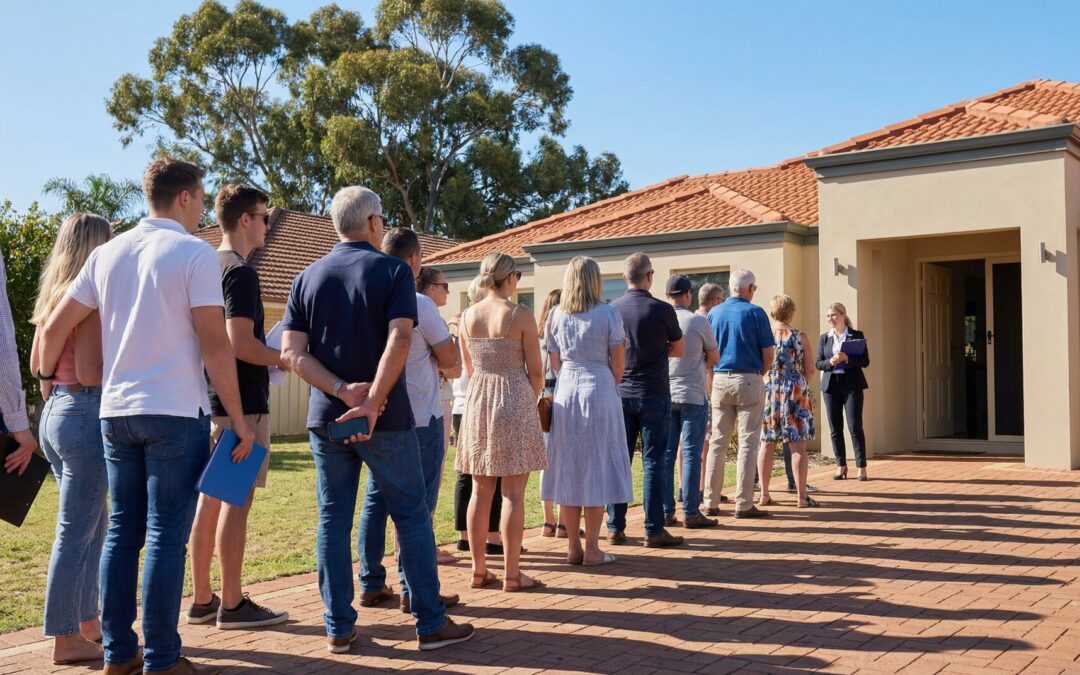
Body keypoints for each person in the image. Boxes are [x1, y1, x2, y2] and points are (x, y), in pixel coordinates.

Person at [37, 157, 256, 675]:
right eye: (202, 198)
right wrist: (240, 421)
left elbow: (53, 327)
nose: (204, 208)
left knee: (121, 535)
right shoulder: (193, 254)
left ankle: (119, 654)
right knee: (163, 537)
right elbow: (214, 345)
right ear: (184, 197)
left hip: (114, 413)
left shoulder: (108, 253)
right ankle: (161, 656)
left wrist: (47, 383)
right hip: (174, 412)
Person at [280, 186, 473, 653]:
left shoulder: (306, 277)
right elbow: (400, 339)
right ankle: (429, 623)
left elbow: (291, 353)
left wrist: (342, 392)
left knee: (333, 520)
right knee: (411, 515)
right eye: (381, 220)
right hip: (387, 419)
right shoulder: (393, 272)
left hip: (328, 419)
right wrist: (371, 401)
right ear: (371, 223)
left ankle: (338, 627)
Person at [186, 185, 288, 630]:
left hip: (212, 401)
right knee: (235, 504)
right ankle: (232, 603)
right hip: (242, 406)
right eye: (264, 217)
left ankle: (203, 599)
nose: (268, 224)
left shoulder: (207, 264)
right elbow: (239, 343)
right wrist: (284, 357)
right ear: (245, 220)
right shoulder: (241, 273)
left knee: (210, 502)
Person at [358, 231, 462, 613]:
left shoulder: (367, 297)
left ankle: (371, 581)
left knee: (375, 501)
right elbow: (450, 359)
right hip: (419, 415)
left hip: (377, 410)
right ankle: (413, 588)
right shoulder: (418, 302)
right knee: (417, 508)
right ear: (415, 260)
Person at [27, 213, 110, 665]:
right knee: (78, 530)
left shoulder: (52, 298)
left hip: (56, 412)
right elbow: (90, 372)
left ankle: (86, 624)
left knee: (94, 524)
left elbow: (40, 371)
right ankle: (64, 638)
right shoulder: (89, 300)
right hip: (85, 411)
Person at [456, 252, 547, 591]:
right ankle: (511, 575)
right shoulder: (520, 315)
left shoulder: (466, 316)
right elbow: (536, 371)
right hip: (513, 395)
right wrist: (530, 396)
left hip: (479, 398)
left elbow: (469, 369)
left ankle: (479, 570)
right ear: (510, 278)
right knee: (512, 493)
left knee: (480, 491)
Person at [543, 257, 633, 565]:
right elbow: (619, 364)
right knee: (596, 464)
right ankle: (593, 548)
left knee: (569, 464)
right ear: (595, 280)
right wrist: (606, 380)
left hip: (567, 387)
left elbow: (554, 362)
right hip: (600, 387)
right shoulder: (608, 313)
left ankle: (573, 547)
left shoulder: (555, 314)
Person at [608, 253, 685, 547]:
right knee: (653, 461)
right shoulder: (662, 309)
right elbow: (678, 348)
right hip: (654, 392)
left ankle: (615, 524)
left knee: (620, 459)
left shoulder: (613, 309)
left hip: (621, 392)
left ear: (625, 277)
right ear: (650, 276)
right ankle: (653, 528)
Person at [705, 268, 775, 519]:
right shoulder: (756, 313)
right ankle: (743, 503)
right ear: (749, 288)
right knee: (748, 443)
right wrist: (759, 373)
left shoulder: (714, 312)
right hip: (748, 376)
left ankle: (710, 501)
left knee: (717, 443)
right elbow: (768, 354)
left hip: (721, 377)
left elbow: (708, 351)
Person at [450, 279, 505, 555]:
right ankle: (485, 536)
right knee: (482, 475)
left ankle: (473, 536)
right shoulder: (472, 323)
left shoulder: (466, 322)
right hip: (472, 403)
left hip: (468, 404)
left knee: (473, 474)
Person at [664, 275, 719, 529]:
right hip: (693, 394)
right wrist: (699, 361)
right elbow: (715, 356)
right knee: (691, 454)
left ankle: (666, 510)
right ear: (688, 295)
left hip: (666, 392)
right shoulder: (698, 321)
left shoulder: (662, 319)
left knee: (667, 454)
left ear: (668, 296)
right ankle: (690, 511)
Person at [419, 265, 462, 565]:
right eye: (444, 285)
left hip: (438, 400)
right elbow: (452, 367)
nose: (447, 291)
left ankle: (423, 541)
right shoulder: (430, 316)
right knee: (428, 477)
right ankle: (423, 545)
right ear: (430, 288)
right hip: (434, 404)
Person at [758, 295, 818, 508]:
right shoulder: (800, 336)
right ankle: (801, 497)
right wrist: (797, 383)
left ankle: (764, 494)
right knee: (798, 445)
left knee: (766, 444)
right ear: (791, 312)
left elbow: (761, 365)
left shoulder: (765, 335)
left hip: (771, 391)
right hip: (795, 392)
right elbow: (810, 369)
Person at [816, 302, 870, 480]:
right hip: (831, 386)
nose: (830, 319)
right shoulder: (825, 338)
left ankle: (861, 466)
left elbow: (865, 361)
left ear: (842, 315)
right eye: (828, 316)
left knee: (855, 426)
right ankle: (841, 465)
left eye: (833, 315)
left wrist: (847, 359)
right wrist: (830, 362)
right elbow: (818, 363)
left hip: (852, 384)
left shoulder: (856, 335)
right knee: (835, 428)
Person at [693, 283, 724, 502]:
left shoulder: (684, 319)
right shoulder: (706, 323)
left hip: (680, 388)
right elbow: (713, 360)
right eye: (721, 299)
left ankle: (686, 489)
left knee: (684, 443)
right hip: (705, 387)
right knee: (705, 441)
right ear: (714, 301)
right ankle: (701, 488)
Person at [537, 288, 562, 538]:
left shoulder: (537, 336)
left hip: (543, 399)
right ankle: (564, 522)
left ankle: (547, 521)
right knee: (566, 459)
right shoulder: (563, 334)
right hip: (563, 398)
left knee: (546, 463)